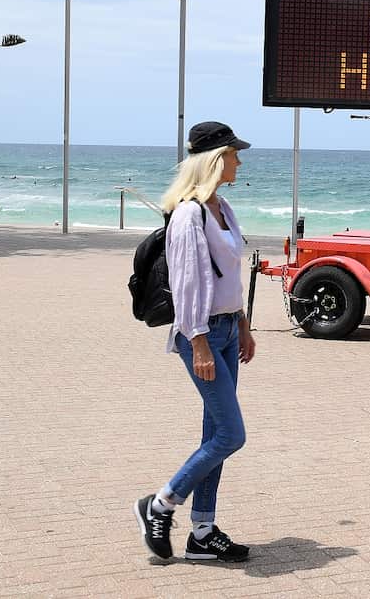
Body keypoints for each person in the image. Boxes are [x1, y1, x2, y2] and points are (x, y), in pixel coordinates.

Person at [134, 122, 256, 563]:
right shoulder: (189, 214)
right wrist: (199, 342)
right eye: (233, 154)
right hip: (201, 334)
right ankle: (161, 503)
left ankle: (202, 532)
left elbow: (229, 275)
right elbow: (187, 284)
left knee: (214, 432)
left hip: (227, 330)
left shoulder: (222, 207)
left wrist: (243, 323)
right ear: (215, 160)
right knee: (231, 434)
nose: (239, 161)